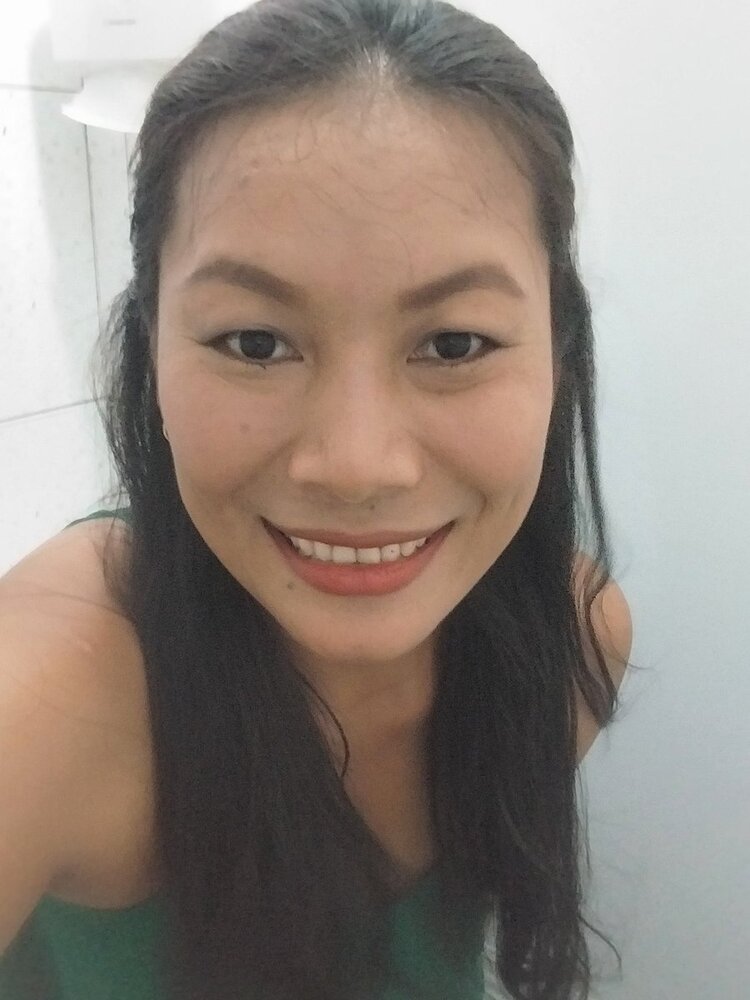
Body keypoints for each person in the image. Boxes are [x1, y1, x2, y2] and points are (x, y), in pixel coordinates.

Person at [0, 0, 635, 997]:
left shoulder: (571, 636)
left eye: (454, 344)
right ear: (150, 349)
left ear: (558, 349)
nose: (356, 465)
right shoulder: (48, 695)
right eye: (254, 342)